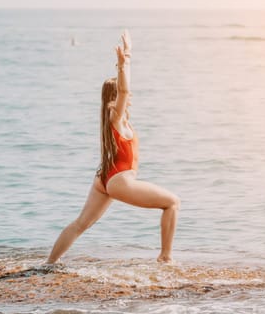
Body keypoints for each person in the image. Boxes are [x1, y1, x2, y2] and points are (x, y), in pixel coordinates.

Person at [46, 30, 180, 264]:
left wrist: (128, 54)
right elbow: (125, 90)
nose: (129, 95)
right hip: (120, 180)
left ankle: (48, 264)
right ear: (114, 98)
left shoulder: (118, 120)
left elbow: (126, 89)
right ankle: (165, 258)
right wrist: (122, 63)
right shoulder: (115, 117)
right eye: (121, 93)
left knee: (80, 224)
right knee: (172, 203)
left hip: (104, 178)